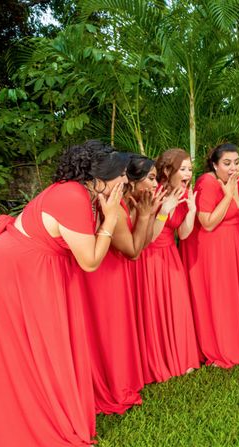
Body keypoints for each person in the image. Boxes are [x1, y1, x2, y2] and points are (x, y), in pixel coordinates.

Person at [0, 140, 126, 447]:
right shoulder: (72, 196)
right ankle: (49, 432)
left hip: (33, 270)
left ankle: (52, 420)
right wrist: (111, 216)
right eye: (120, 176)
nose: (124, 182)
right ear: (101, 177)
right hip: (12, 273)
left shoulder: (81, 194)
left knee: (40, 349)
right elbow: (91, 260)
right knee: (33, 350)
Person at [81, 153, 157, 414]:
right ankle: (110, 385)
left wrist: (147, 214)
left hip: (114, 272)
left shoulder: (124, 205)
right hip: (105, 275)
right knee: (109, 331)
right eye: (151, 178)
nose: (155, 185)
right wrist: (147, 217)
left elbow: (143, 245)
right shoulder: (115, 210)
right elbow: (134, 250)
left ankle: (118, 379)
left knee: (116, 329)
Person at [181, 143, 239, 368]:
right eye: (226, 163)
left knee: (232, 294)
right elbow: (207, 222)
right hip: (212, 246)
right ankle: (219, 348)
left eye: (236, 162)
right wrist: (227, 195)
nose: (233, 168)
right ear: (215, 165)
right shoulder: (208, 182)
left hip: (234, 244)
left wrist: (232, 189)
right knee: (218, 295)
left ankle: (237, 344)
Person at [134, 148, 200, 383]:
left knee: (177, 305)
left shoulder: (183, 193)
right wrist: (164, 210)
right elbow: (148, 237)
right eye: (183, 169)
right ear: (167, 170)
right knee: (155, 308)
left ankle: (181, 358)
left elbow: (183, 234)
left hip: (170, 255)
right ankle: (159, 361)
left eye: (190, 169)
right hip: (149, 257)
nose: (188, 173)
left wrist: (191, 210)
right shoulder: (156, 192)